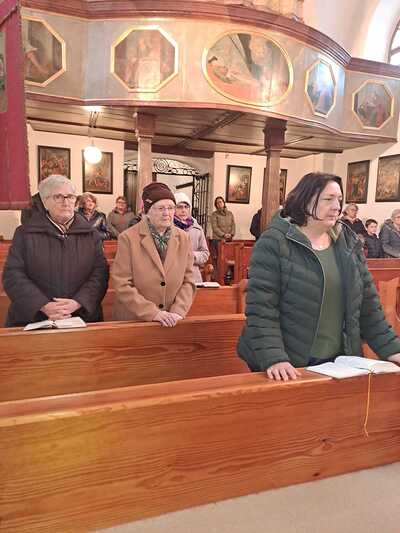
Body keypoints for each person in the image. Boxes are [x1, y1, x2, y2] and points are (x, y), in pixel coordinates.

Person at [237, 172, 400, 380]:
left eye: (339, 199)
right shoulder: (275, 242)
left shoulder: (347, 242)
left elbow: (368, 306)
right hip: (289, 363)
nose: (337, 206)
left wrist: (392, 349)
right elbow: (262, 308)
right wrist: (274, 358)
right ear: (305, 200)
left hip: (340, 363)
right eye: (328, 199)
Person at [2, 175, 109, 327]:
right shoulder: (24, 234)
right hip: (34, 319)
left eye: (70, 197)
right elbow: (13, 275)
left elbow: (100, 273)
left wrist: (78, 302)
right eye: (58, 197)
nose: (66, 202)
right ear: (45, 201)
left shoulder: (91, 235)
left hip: (81, 317)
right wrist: (43, 305)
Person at [111, 182, 196, 327]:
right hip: (135, 320)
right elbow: (122, 283)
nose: (167, 213)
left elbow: (189, 280)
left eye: (171, 208)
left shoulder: (183, 238)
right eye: (160, 208)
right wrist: (153, 313)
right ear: (147, 211)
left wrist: (178, 311)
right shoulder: (128, 238)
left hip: (172, 319)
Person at [174, 192, 209, 283]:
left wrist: (191, 255)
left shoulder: (197, 229)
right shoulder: (167, 227)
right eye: (179, 207)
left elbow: (205, 254)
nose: (183, 210)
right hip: (173, 276)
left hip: (193, 277)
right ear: (173, 209)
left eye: (186, 207)